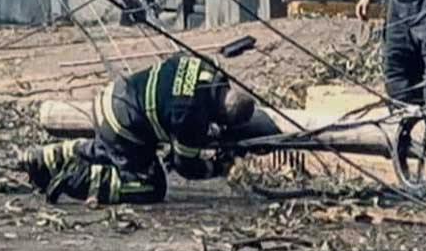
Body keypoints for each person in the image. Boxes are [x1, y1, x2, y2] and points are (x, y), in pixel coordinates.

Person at [16, 52, 258, 205]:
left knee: (108, 151)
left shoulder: (205, 65)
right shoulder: (190, 117)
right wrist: (218, 167)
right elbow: (187, 167)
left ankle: (41, 159)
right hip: (122, 125)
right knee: (151, 187)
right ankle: (74, 180)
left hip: (112, 97)